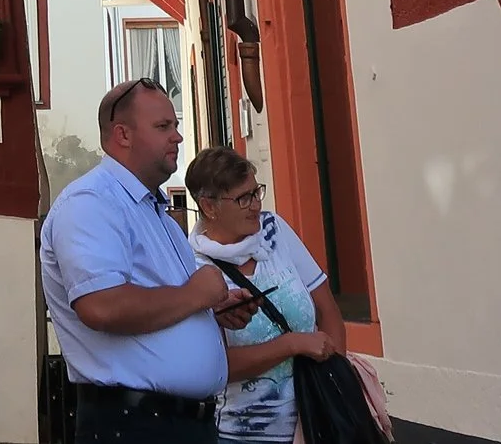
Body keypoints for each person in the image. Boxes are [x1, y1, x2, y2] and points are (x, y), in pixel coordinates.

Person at [41, 77, 254, 442]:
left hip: (175, 423)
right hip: (133, 424)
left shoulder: (153, 212)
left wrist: (211, 311)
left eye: (175, 125)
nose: (178, 137)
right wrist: (198, 295)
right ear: (122, 135)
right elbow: (101, 307)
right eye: (163, 127)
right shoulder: (90, 203)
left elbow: (164, 297)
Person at [183, 145, 345, 440]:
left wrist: (338, 388)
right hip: (245, 433)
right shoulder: (192, 268)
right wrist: (292, 344)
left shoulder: (275, 231)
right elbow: (217, 366)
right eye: (243, 198)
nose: (256, 205)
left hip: (317, 422)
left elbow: (328, 309)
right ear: (209, 206)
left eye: (256, 192)